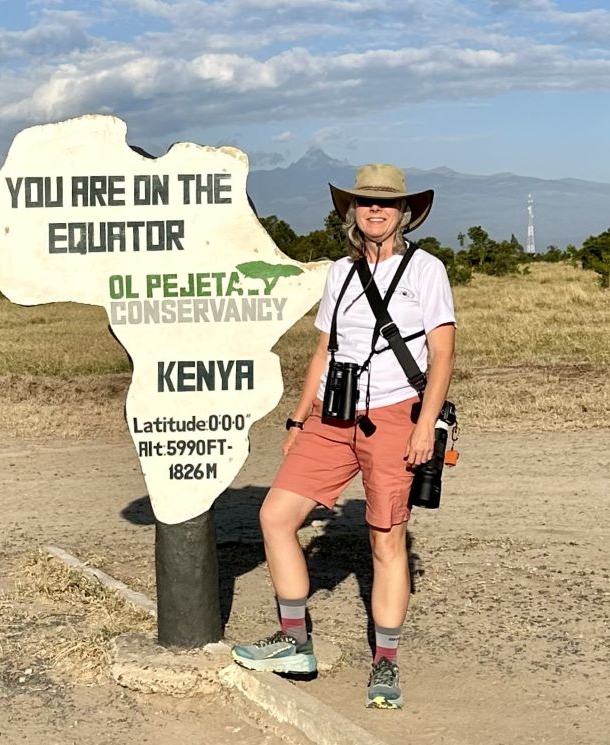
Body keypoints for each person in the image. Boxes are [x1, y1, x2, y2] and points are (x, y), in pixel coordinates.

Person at [230, 164, 456, 710]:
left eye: (386, 204)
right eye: (365, 202)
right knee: (275, 516)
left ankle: (385, 665)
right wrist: (298, 416)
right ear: (352, 211)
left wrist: (425, 424)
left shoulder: (426, 270)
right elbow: (325, 350)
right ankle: (294, 640)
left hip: (398, 416)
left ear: (405, 212)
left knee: (385, 540)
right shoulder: (341, 273)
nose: (375, 211)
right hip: (333, 416)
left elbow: (443, 353)